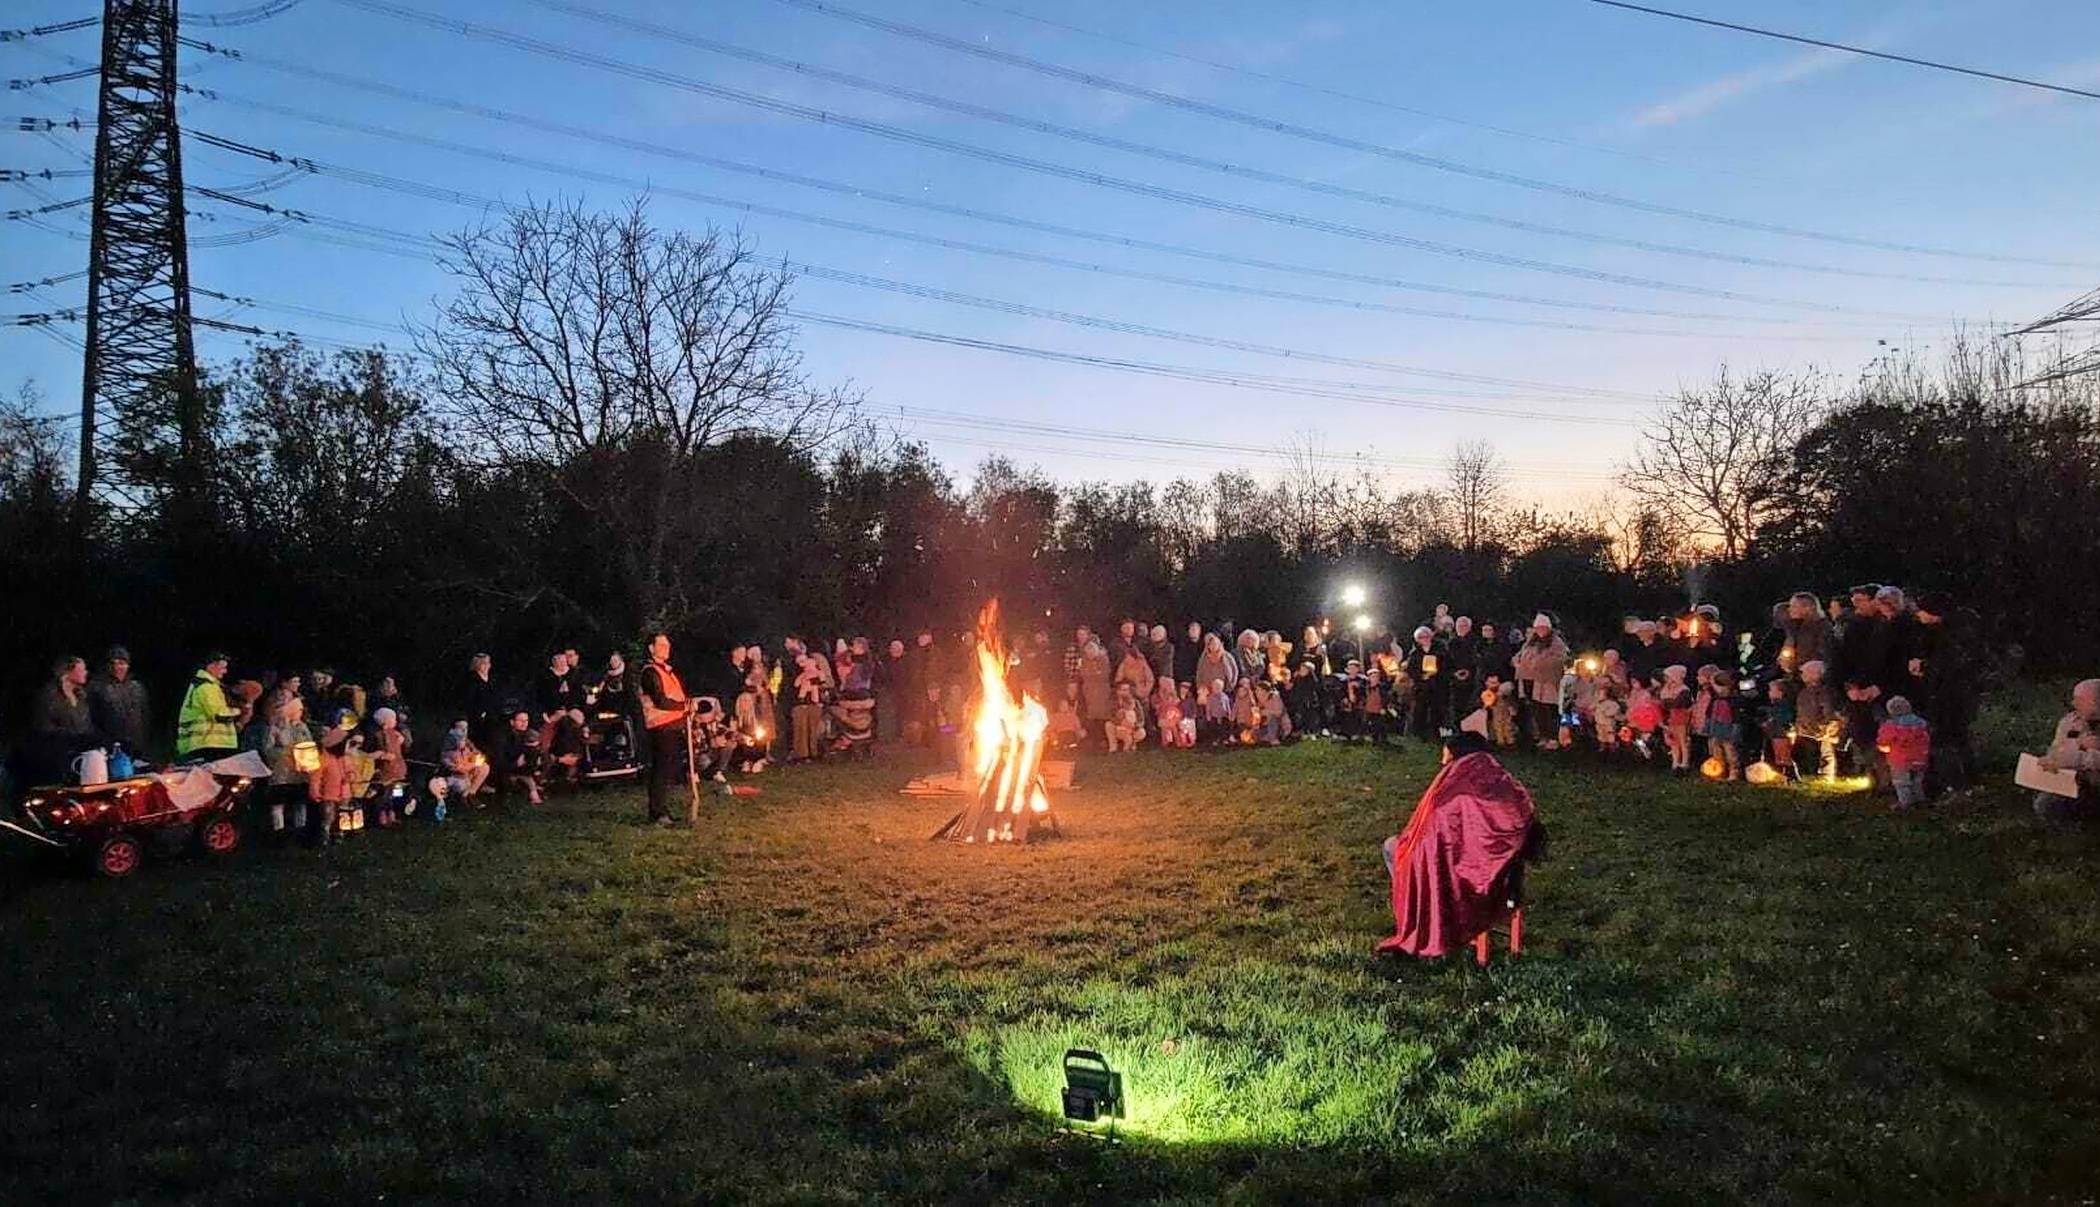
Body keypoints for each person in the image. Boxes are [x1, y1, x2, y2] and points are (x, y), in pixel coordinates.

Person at [1378, 731, 1540, 959]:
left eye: (1446, 756)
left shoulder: (1453, 792)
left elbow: (1430, 846)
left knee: (1394, 849)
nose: (1442, 762)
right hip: (1503, 880)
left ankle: (1422, 918)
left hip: (1466, 885)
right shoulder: (1506, 783)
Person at [1910, 592, 1980, 794]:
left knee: (1948, 740)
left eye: (1921, 610)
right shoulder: (1937, 632)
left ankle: (1957, 784)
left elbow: (1951, 665)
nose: (1918, 614)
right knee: (1956, 739)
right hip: (1947, 693)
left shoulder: (1953, 635)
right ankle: (1963, 782)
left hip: (1951, 696)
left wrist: (1925, 666)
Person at [637, 632, 695, 826]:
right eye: (661, 645)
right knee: (660, 770)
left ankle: (662, 811)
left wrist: (685, 708)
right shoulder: (650, 672)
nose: (666, 649)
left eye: (667, 645)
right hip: (660, 728)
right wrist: (684, 707)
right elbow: (660, 700)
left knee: (668, 770)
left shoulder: (667, 671)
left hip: (673, 726)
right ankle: (657, 813)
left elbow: (676, 697)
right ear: (651, 648)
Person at [2034, 679, 2100, 824]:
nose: (2074, 704)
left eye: (2080, 700)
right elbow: (2057, 751)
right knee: (2045, 803)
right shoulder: (2071, 723)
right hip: (2078, 783)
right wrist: (2078, 745)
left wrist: (2076, 758)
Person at [257, 693, 315, 839]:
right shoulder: (275, 728)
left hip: (299, 773)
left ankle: (300, 830)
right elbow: (267, 749)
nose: (301, 713)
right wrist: (283, 750)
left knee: (299, 802)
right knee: (278, 803)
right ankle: (279, 832)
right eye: (298, 710)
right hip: (280, 773)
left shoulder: (301, 727)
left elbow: (308, 744)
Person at [1512, 614, 1570, 750]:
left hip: (1546, 682)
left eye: (1543, 627)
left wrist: (1539, 663)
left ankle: (1553, 737)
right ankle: (1543, 736)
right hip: (1528, 680)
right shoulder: (1530, 642)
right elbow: (1519, 655)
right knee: (1536, 709)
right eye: (1538, 627)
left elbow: (1560, 658)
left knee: (1548, 709)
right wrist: (1518, 663)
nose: (1540, 630)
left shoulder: (1556, 642)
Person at [175, 652, 246, 763]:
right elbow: (219, 715)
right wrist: (240, 711)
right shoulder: (207, 687)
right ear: (211, 666)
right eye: (222, 667)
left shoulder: (202, 685)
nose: (225, 671)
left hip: (201, 744)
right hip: (209, 744)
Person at [86, 646, 150, 759]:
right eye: (113, 663)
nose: (117, 667)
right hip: (111, 747)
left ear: (127, 665)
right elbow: (93, 719)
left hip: (137, 746)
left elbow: (145, 715)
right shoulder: (97, 687)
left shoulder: (136, 687)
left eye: (121, 663)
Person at [1876, 696, 1931, 811]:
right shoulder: (1921, 724)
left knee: (1901, 783)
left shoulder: (1891, 726)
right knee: (1917, 781)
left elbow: (1883, 741)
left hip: (1900, 760)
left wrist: (1883, 747)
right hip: (1920, 758)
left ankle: (1905, 803)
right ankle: (1920, 800)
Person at [496, 709, 546, 807]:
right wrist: (516, 763)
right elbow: (500, 760)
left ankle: (533, 785)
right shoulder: (504, 737)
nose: (524, 723)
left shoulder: (529, 735)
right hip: (506, 770)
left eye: (526, 720)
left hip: (525, 770)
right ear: (512, 722)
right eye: (520, 721)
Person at [463, 653, 502, 758]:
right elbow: (469, 700)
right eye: (483, 663)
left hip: (491, 716)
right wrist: (480, 713)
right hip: (477, 718)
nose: (487, 666)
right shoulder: (472, 680)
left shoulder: (491, 679)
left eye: (488, 663)